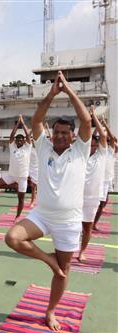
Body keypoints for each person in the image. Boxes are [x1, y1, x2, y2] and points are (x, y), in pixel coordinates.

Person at [4, 71, 92, 331]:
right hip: (42, 216)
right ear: (52, 134)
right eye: (58, 132)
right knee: (12, 238)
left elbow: (86, 121)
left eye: (66, 132)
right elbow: (37, 119)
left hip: (69, 222)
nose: (62, 136)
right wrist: (52, 93)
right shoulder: (44, 147)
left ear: (73, 136)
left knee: (63, 272)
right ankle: (48, 259)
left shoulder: (79, 151)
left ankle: (51, 311)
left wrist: (69, 91)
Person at [78, 106, 107, 262]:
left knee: (87, 227)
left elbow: (102, 135)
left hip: (92, 198)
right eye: (91, 144)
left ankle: (82, 251)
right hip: (77, 196)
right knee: (72, 226)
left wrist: (93, 116)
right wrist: (85, 120)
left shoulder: (102, 155)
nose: (93, 146)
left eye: (95, 144)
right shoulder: (80, 155)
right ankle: (70, 248)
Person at [0, 115, 32, 221]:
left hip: (23, 177)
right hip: (11, 175)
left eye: (21, 139)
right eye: (17, 139)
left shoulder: (27, 148)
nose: (19, 141)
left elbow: (28, 136)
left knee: (21, 198)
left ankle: (18, 216)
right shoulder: (12, 147)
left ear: (24, 141)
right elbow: (11, 136)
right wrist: (16, 124)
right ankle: (13, 185)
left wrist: (22, 123)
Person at [93, 119, 116, 231]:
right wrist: (99, 126)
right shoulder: (99, 150)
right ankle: (91, 223)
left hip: (107, 180)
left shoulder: (111, 150)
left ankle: (92, 223)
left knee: (103, 203)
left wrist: (104, 125)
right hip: (99, 179)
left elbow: (112, 138)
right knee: (100, 204)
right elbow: (92, 138)